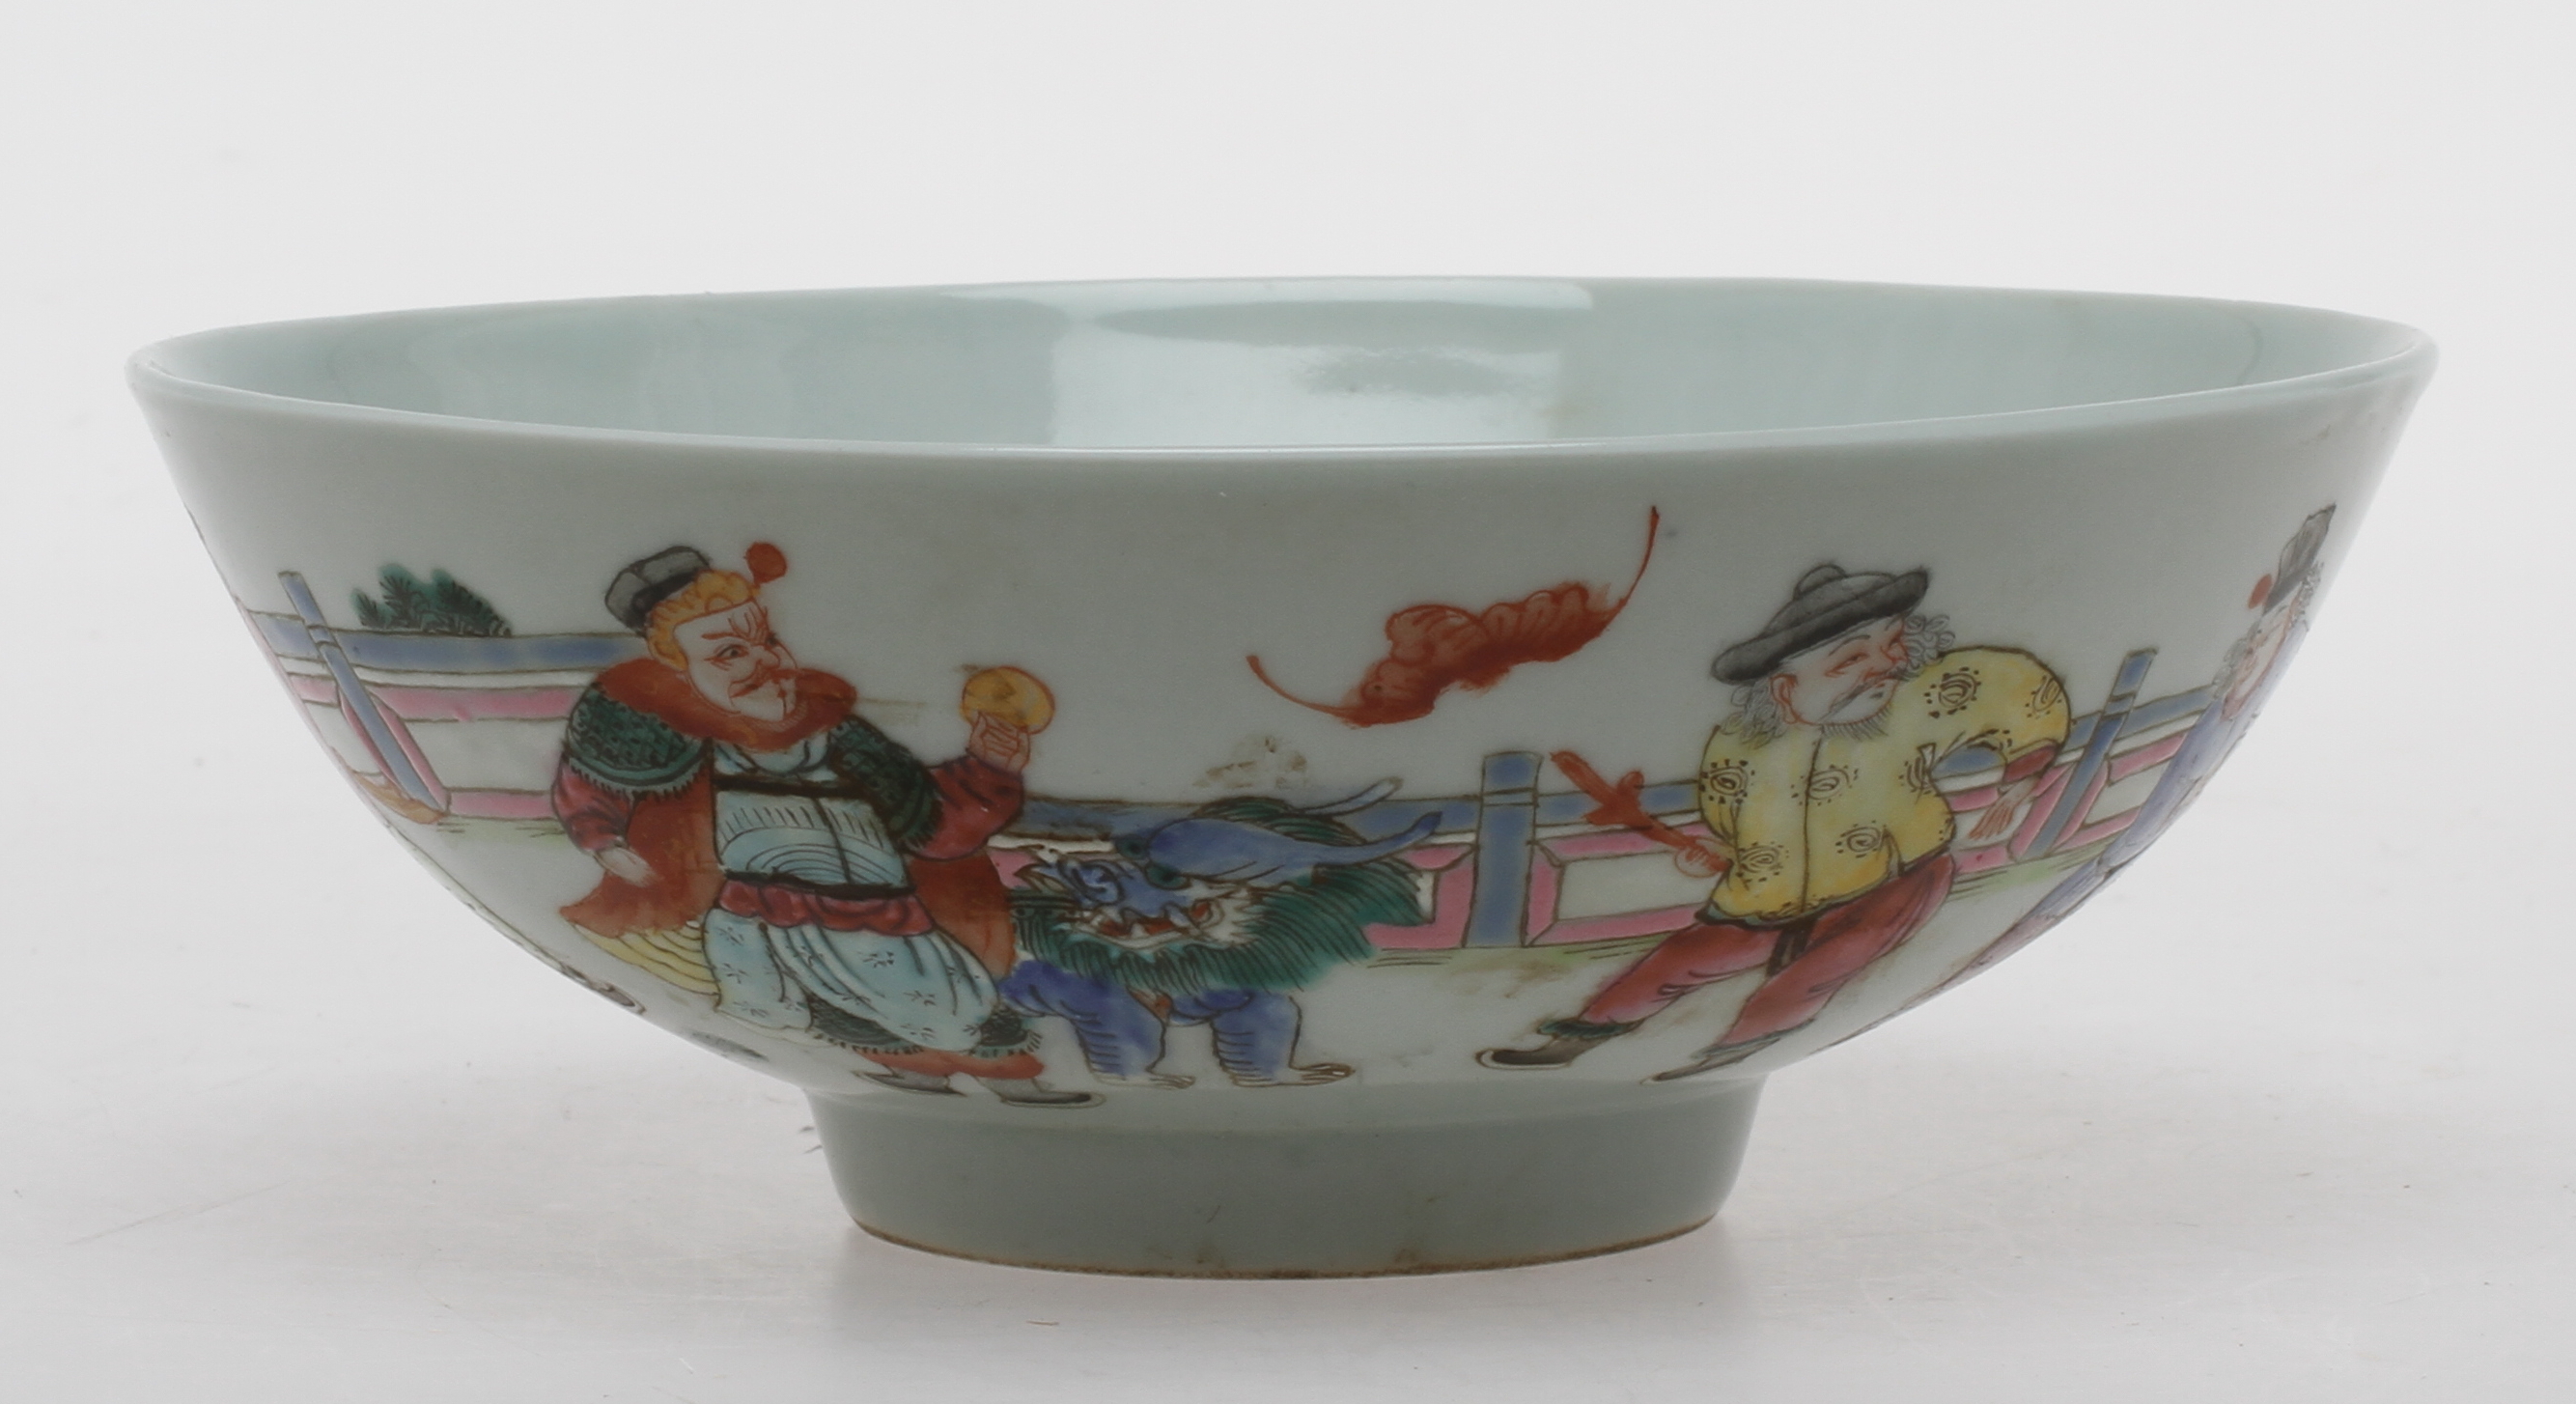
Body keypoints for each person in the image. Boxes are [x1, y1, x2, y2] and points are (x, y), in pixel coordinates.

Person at [550, 543, 1097, 1108]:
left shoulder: (840, 735)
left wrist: (988, 769)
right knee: (838, 1015)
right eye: (729, 653)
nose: (764, 663)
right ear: (680, 673)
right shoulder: (686, 744)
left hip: (873, 911)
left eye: (768, 640)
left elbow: (931, 822)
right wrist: (602, 838)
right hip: (756, 919)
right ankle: (914, 1081)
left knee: (944, 1004)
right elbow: (596, 778)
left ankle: (1014, 1081)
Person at [1481, 563, 2069, 1081]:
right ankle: (1571, 1044)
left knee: (1812, 976)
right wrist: (1716, 854)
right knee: (1672, 964)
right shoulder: (1742, 743)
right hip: (1762, 895)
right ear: (1786, 687)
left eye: (1892, 645)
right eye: (1851, 660)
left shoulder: (1922, 698)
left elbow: (2019, 690)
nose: (1884, 668)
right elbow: (1727, 811)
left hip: (1894, 879)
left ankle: (1727, 1053)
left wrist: (2021, 778)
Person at [1921, 506, 2336, 997]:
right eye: (2257, 633)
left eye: (2266, 631)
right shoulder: (2215, 709)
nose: (2252, 648)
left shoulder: (2214, 714)